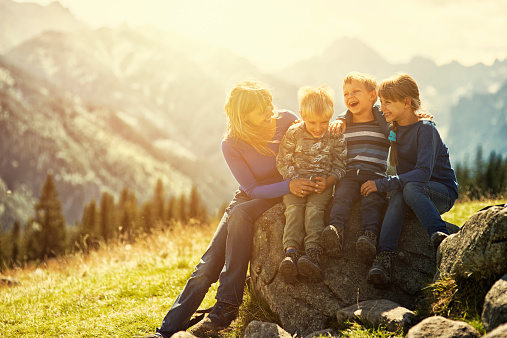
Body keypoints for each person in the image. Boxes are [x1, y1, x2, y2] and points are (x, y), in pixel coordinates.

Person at [145, 80, 319, 338]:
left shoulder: (287, 120)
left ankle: (227, 305)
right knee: (206, 266)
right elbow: (251, 189)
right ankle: (166, 331)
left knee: (240, 215)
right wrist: (288, 186)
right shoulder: (232, 144)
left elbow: (315, 135)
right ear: (243, 115)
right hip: (254, 195)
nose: (270, 110)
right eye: (261, 108)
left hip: (284, 192)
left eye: (269, 102)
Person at [360, 73, 458, 288]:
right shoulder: (393, 126)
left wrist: (381, 184)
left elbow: (423, 173)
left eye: (388, 102)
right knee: (400, 192)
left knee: (410, 187)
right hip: (410, 189)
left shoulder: (425, 129)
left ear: (406, 102)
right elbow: (367, 107)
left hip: (440, 192)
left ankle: (440, 237)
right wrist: (341, 119)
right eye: (381, 101)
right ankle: (384, 259)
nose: (382, 107)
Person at [276, 85, 347, 282]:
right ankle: (291, 252)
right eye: (312, 122)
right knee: (293, 209)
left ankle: (312, 252)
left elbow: (341, 164)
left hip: (320, 185)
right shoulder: (293, 133)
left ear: (331, 115)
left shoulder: (335, 134)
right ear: (301, 115)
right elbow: (282, 161)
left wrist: (329, 181)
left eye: (324, 122)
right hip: (295, 184)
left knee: (314, 210)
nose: (318, 128)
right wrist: (294, 181)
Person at [320, 72, 390, 262]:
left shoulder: (384, 123)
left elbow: (404, 123)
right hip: (349, 174)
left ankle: (369, 236)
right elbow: (319, 130)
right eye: (345, 93)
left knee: (372, 201)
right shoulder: (342, 125)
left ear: (372, 96)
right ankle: (336, 231)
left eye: (356, 91)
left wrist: (420, 116)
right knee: (341, 197)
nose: (350, 96)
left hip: (375, 175)